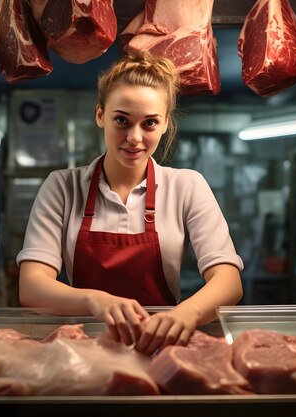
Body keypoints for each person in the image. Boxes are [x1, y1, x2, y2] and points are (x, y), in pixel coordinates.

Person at [17, 50, 244, 355]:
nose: (134, 137)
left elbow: (228, 281)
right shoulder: (63, 187)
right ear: (100, 115)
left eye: (149, 123)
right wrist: (92, 300)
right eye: (122, 120)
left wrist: (185, 314)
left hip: (161, 346)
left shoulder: (186, 186)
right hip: (83, 349)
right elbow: (31, 287)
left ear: (165, 125)